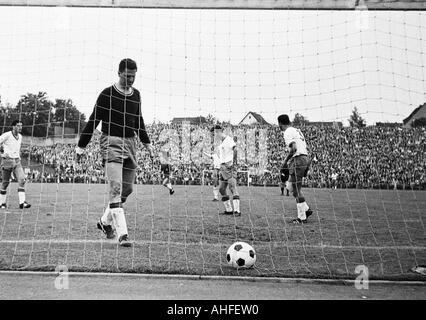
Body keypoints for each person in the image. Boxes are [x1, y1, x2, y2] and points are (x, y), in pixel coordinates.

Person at [76, 58, 154, 247]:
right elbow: (93, 120)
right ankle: (123, 235)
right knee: (116, 189)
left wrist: (147, 143)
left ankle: (103, 222)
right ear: (119, 73)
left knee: (127, 189)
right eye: (127, 76)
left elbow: (139, 121)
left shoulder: (136, 95)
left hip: (130, 144)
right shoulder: (107, 94)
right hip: (110, 142)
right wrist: (81, 146)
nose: (131, 80)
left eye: (133, 76)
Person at [278, 114, 313, 224]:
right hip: (304, 158)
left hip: (298, 159)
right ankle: (306, 209)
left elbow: (294, 148)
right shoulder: (296, 130)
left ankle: (301, 217)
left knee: (296, 188)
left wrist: (285, 161)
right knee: (290, 186)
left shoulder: (287, 132)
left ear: (280, 123)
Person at [0, 120, 31, 209]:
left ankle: (22, 203)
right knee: (5, 183)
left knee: (22, 179)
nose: (20, 127)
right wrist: (1, 154)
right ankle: (2, 203)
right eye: (18, 125)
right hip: (7, 161)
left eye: (21, 125)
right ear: (13, 127)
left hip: (17, 161)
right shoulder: (7, 135)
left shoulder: (20, 136)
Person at [212, 125, 240, 216]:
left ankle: (237, 211)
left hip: (229, 167)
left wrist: (233, 163)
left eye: (214, 134)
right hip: (222, 167)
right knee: (221, 189)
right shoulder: (221, 143)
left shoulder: (228, 140)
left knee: (232, 187)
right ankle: (229, 210)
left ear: (218, 132)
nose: (213, 137)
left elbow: (235, 150)